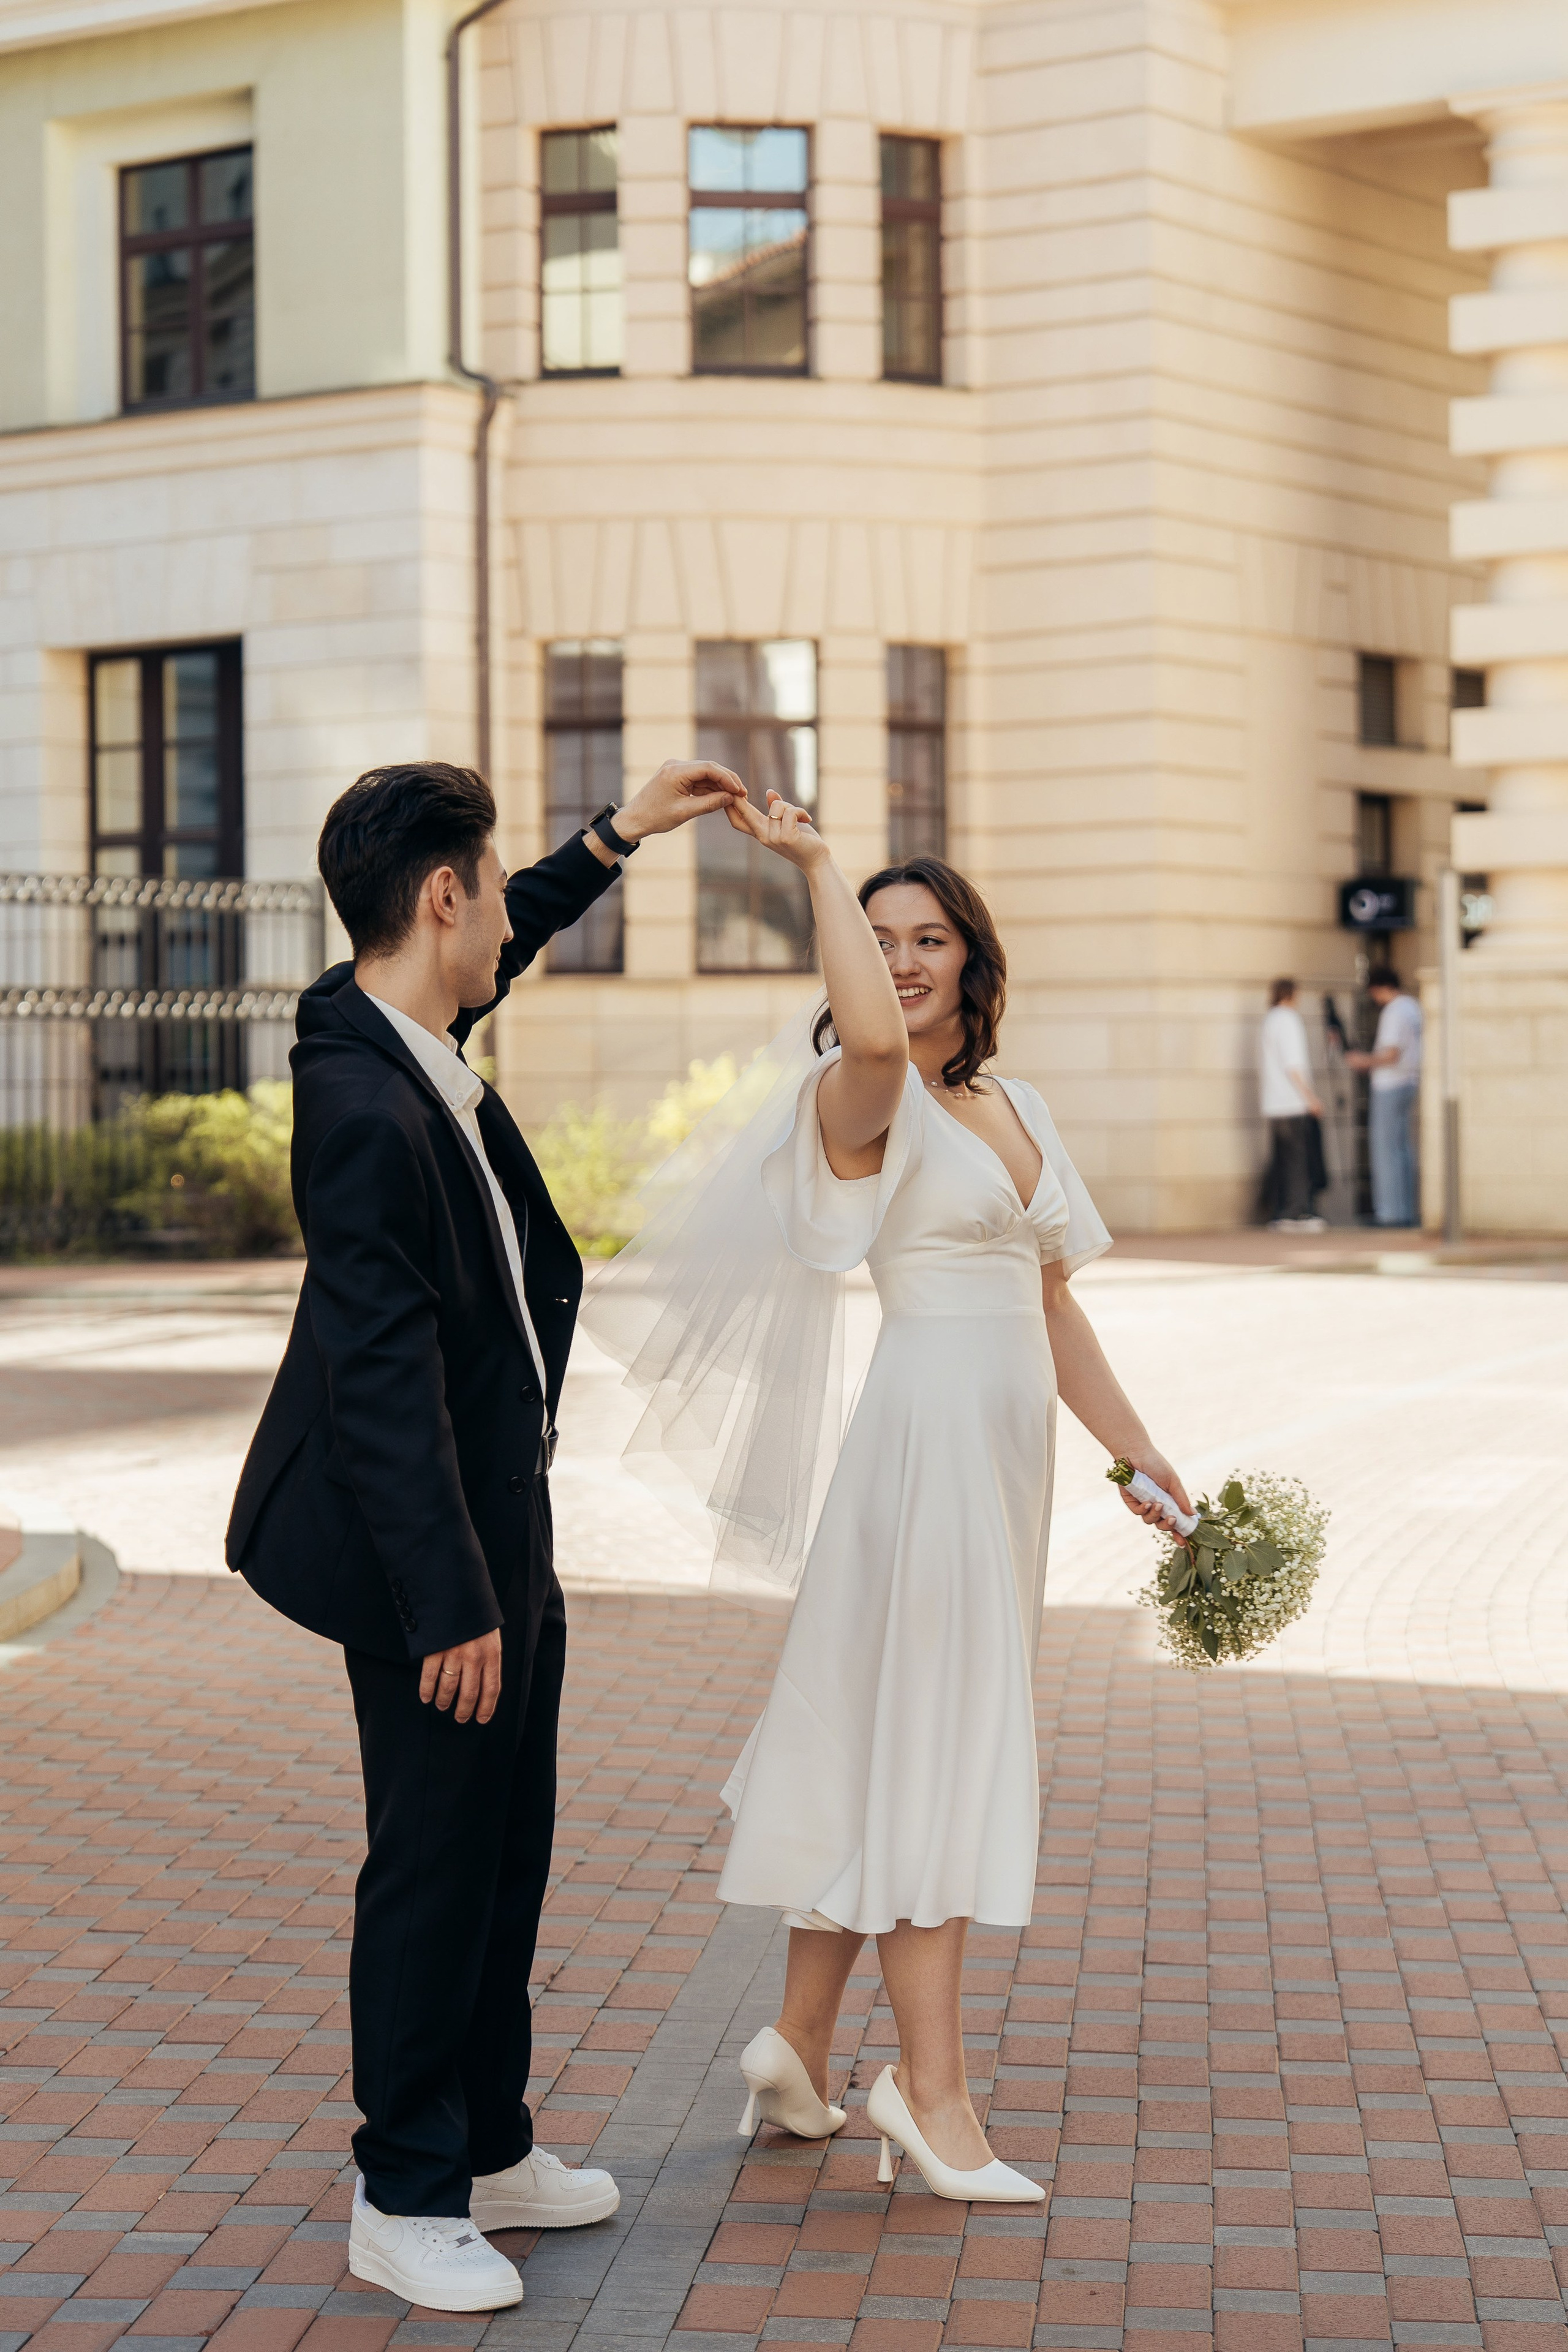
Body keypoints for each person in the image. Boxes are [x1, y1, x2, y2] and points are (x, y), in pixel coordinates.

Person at [586, 795, 1191, 2204]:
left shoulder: (1017, 1107)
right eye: (876, 940)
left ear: (972, 957)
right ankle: (930, 2093)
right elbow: (867, 1038)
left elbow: (1050, 1304)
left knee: (884, 1738)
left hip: (1004, 1465)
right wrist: (809, 859)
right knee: (934, 1744)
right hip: (920, 1455)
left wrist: (1139, 1457)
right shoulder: (860, 1097)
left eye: (926, 938)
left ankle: (796, 2048)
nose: (903, 961)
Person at [225, 755, 744, 2313]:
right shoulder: (363, 1103)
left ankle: (491, 2143)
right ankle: (404, 2189)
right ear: (442, 894)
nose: (508, 918)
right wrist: (451, 1603)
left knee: (505, 1848)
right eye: (497, 886)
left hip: (503, 1522)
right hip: (428, 1559)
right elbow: (379, 1383)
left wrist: (618, 834)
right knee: (432, 1865)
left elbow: (501, 947)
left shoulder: (400, 1025)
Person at [1346, 963, 1423, 1227]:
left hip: (1390, 1084)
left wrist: (1363, 1061)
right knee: (1402, 1149)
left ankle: (1389, 1213)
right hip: (1409, 1081)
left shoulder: (1394, 1011)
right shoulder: (1413, 1007)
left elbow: (1391, 1053)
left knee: (1385, 1150)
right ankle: (1405, 1210)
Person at [1259, 977, 1325, 1232]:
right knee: (1298, 1159)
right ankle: (1297, 1211)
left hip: (1274, 1102)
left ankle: (1281, 1210)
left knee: (1282, 1158)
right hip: (1292, 1101)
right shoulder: (1288, 1020)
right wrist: (1311, 1098)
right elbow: (1293, 1065)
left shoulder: (1270, 1020)